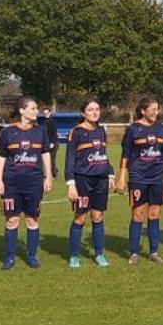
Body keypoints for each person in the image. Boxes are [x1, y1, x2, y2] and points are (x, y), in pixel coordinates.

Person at [0, 96, 54, 269]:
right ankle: (10, 257)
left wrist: (48, 176)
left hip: (34, 183)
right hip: (12, 182)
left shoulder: (40, 131)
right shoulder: (8, 132)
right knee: (11, 220)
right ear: (22, 110)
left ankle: (32, 256)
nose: (37, 111)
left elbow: (45, 154)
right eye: (33, 108)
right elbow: (1, 157)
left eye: (37, 108)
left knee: (32, 220)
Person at [116, 96, 163, 264]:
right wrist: (121, 176)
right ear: (143, 111)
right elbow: (125, 154)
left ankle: (153, 251)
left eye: (157, 109)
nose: (156, 112)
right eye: (153, 109)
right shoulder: (133, 129)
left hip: (157, 177)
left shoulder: (162, 129)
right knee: (138, 214)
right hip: (138, 177)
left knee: (154, 213)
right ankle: (134, 252)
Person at [65, 97, 113, 269]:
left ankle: (99, 254)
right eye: (91, 109)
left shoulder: (101, 131)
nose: (95, 112)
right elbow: (70, 159)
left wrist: (111, 173)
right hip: (82, 180)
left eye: (97, 109)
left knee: (98, 216)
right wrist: (71, 184)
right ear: (83, 113)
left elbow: (103, 154)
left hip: (101, 179)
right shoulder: (76, 132)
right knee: (80, 217)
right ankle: (73, 256)